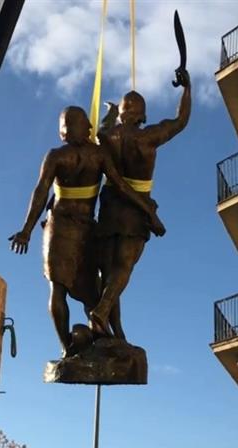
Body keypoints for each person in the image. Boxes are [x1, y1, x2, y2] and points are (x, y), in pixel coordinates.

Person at [9, 106, 164, 357]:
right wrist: (149, 211)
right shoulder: (84, 155)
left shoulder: (66, 155)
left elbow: (43, 192)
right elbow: (42, 192)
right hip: (64, 227)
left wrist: (149, 213)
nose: (90, 129)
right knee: (61, 288)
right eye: (85, 124)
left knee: (91, 289)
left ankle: (105, 338)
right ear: (73, 129)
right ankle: (68, 348)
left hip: (76, 228)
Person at [93, 66, 191, 339]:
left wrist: (111, 112)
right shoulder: (147, 137)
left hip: (111, 205)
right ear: (143, 115)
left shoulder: (107, 136)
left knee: (109, 269)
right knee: (124, 267)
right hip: (136, 209)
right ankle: (101, 311)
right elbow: (180, 120)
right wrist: (187, 89)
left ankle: (111, 327)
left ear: (123, 113)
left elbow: (102, 127)